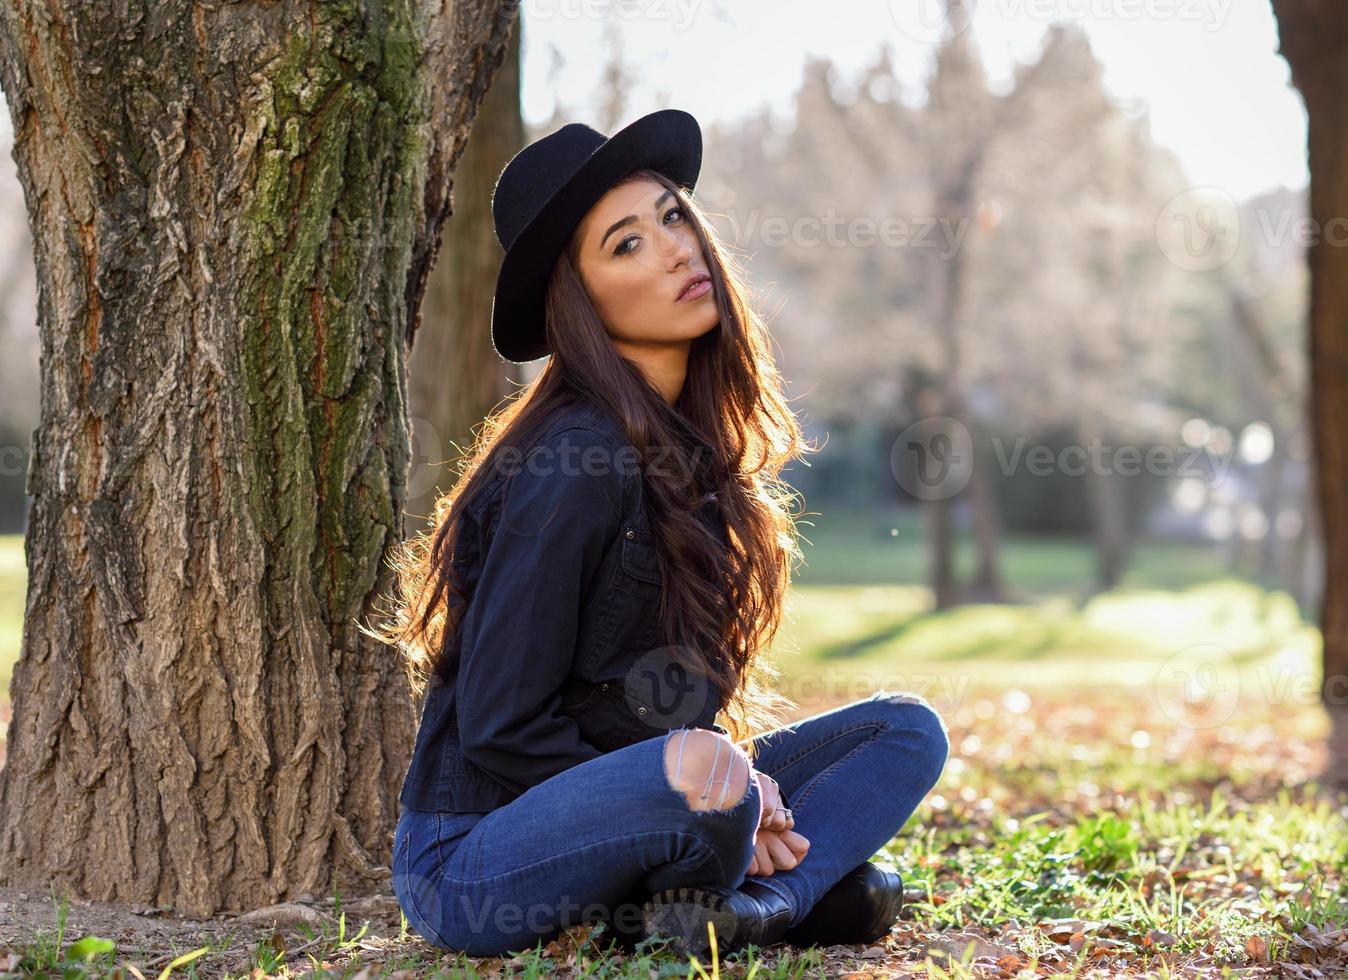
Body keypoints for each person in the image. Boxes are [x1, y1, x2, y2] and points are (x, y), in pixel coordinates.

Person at [363, 108, 950, 960]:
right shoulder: (572, 462)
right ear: (581, 302)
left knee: (903, 730)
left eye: (672, 216)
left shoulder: (696, 457)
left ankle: (740, 911)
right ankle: (781, 899)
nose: (677, 249)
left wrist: (726, 785)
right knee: (737, 800)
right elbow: (497, 724)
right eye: (625, 244)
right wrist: (711, 784)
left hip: (661, 806)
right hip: (477, 858)